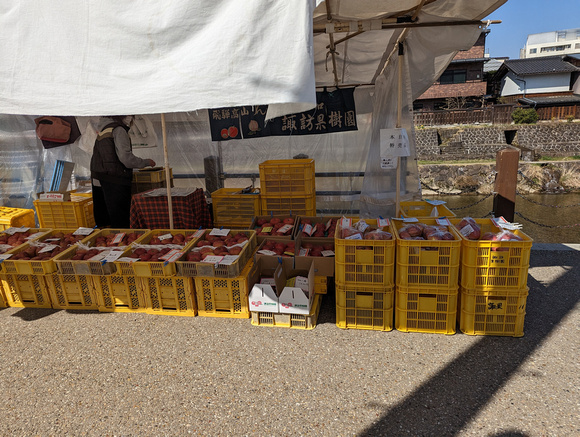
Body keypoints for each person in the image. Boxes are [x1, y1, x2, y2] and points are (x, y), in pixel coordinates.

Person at [90, 115, 156, 228]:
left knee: (105, 221)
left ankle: (109, 244)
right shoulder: (118, 130)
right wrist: (146, 162)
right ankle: (120, 243)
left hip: (98, 177)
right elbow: (126, 159)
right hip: (115, 180)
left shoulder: (104, 128)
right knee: (120, 222)